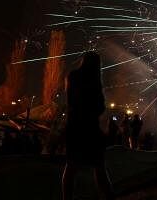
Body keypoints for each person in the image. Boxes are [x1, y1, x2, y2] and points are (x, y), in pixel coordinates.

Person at [62, 51, 114, 200]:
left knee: (71, 166)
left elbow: (71, 103)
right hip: (90, 128)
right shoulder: (94, 81)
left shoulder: (73, 76)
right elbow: (100, 107)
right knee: (99, 166)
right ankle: (109, 196)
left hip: (74, 126)